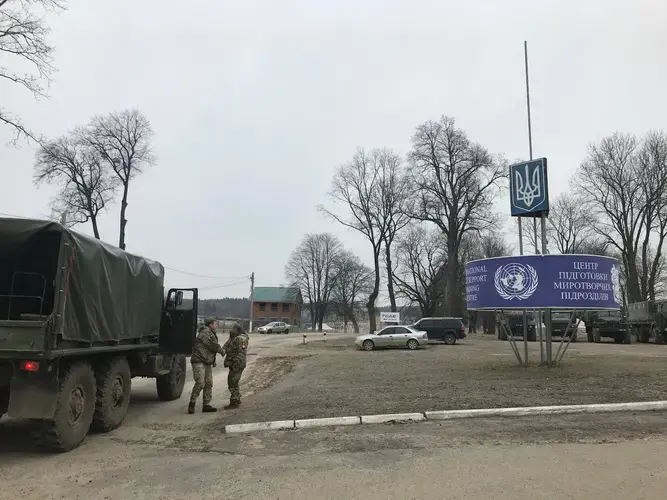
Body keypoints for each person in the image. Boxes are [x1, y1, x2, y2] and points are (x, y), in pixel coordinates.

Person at [188, 317, 225, 414]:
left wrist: (213, 360)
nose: (216, 325)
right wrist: (222, 351)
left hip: (207, 362)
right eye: (215, 324)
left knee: (208, 383)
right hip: (199, 361)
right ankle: (192, 403)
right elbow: (213, 345)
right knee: (200, 382)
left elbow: (210, 349)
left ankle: (206, 405)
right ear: (210, 325)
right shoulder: (205, 332)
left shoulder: (211, 333)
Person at [222, 323, 249, 410]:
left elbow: (241, 354)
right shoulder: (235, 338)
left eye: (233, 329)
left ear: (237, 330)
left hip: (237, 365)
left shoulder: (241, 339)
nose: (231, 330)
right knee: (233, 382)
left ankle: (234, 402)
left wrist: (236, 365)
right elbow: (225, 348)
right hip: (234, 364)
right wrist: (230, 338)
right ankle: (236, 399)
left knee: (232, 383)